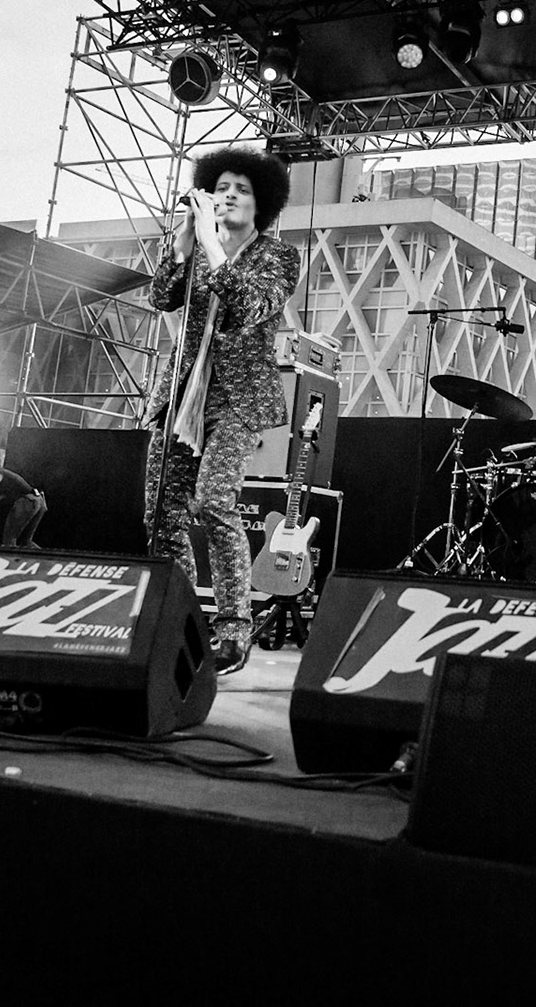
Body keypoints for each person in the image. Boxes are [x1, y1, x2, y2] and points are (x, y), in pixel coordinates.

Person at [143, 144, 298, 677]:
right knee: (161, 511)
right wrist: (184, 243)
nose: (228, 196)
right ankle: (180, 616)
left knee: (213, 501)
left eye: (242, 190)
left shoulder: (277, 257)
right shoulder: (197, 244)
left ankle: (234, 626)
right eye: (222, 187)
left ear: (263, 206)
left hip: (237, 398)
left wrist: (213, 246)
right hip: (183, 395)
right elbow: (161, 297)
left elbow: (249, 306)